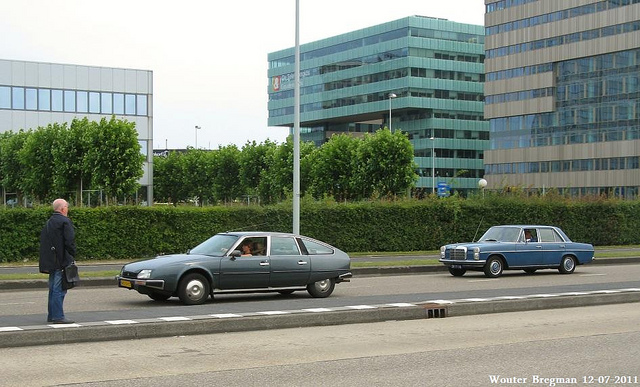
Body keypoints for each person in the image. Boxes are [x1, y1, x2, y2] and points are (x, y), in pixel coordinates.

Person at [39, 198, 76, 324]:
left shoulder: (49, 222)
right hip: (61, 261)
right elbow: (69, 242)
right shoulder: (65, 222)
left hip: (51, 261)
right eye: (67, 206)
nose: (68, 209)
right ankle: (58, 316)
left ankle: (52, 315)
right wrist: (72, 254)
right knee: (60, 289)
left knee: (52, 289)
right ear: (62, 208)